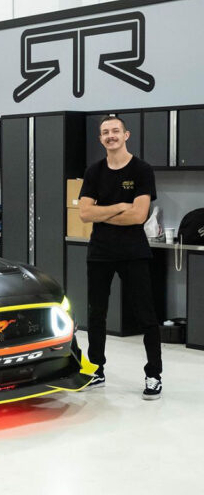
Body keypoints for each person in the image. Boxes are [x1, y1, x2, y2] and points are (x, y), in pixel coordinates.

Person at [78, 115, 162, 400]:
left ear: (126, 135)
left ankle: (153, 375)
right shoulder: (94, 172)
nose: (110, 135)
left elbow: (139, 216)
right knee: (96, 314)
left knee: (146, 315)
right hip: (100, 252)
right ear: (100, 139)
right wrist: (119, 207)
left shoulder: (142, 170)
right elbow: (85, 213)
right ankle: (96, 369)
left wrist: (104, 211)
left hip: (133, 252)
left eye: (115, 131)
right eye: (105, 132)